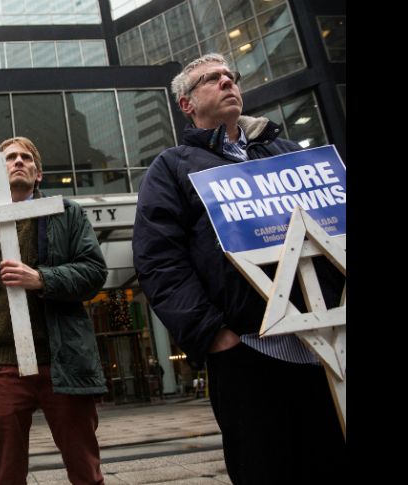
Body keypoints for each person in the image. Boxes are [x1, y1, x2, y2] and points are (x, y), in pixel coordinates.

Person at [132, 53, 345, 484]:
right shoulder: (172, 167)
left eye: (232, 76)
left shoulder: (288, 152)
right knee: (265, 468)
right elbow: (159, 260)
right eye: (213, 79)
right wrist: (212, 334)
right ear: (187, 104)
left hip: (330, 342)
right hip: (248, 350)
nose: (228, 82)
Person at [0, 136, 108, 485]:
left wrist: (42, 279)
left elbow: (95, 272)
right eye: (10, 158)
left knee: (84, 466)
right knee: (7, 472)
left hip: (61, 357)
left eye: (26, 158)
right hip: (1, 362)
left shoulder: (65, 212)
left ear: (38, 174)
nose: (18, 161)